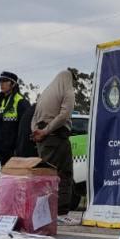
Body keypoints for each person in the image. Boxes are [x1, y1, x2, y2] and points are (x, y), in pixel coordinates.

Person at [32, 70, 77, 225]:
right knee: (63, 175)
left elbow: (34, 116)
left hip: (42, 140)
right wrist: (46, 131)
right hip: (57, 138)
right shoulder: (67, 91)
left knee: (45, 176)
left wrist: (37, 132)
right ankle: (61, 213)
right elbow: (64, 115)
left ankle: (43, 213)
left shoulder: (45, 93)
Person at [0, 71, 30, 166]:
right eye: (0, 81)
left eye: (5, 81)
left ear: (13, 84)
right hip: (2, 150)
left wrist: (19, 149)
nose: (1, 84)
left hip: (15, 152)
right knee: (5, 174)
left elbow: (25, 129)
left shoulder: (21, 101)